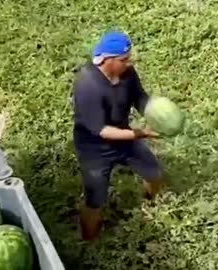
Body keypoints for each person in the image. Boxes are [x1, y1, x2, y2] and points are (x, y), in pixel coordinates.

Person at [72, 31, 165, 241]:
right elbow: (102, 130)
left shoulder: (127, 73)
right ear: (107, 60)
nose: (129, 63)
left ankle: (150, 202)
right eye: (124, 60)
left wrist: (156, 114)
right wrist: (140, 134)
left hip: (123, 138)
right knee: (95, 200)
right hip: (95, 149)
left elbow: (140, 98)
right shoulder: (88, 85)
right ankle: (89, 239)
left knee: (155, 173)